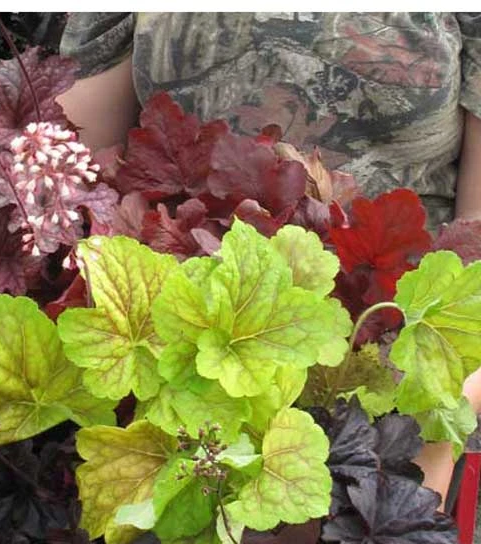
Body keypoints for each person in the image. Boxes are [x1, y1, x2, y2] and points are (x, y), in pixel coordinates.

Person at [57, 11, 481, 505]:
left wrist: (448, 398)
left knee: (359, 529)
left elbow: (476, 232)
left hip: (395, 336)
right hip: (185, 323)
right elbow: (82, 164)